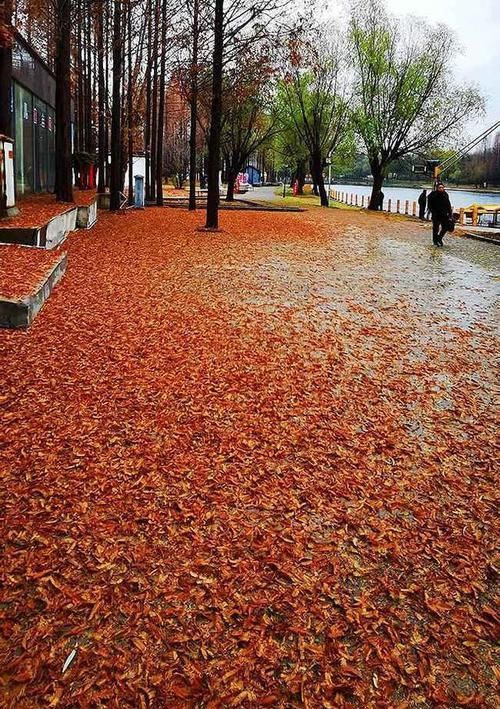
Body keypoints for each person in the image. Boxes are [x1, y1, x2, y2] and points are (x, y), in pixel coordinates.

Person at [427, 182, 453, 246]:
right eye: (439, 187)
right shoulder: (433, 194)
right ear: (437, 188)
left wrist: (450, 214)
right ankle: (435, 241)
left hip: (444, 214)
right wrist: (432, 211)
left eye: (442, 187)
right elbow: (429, 205)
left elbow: (448, 204)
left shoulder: (445, 194)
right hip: (436, 214)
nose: (441, 189)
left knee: (445, 227)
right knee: (436, 228)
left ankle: (439, 238)